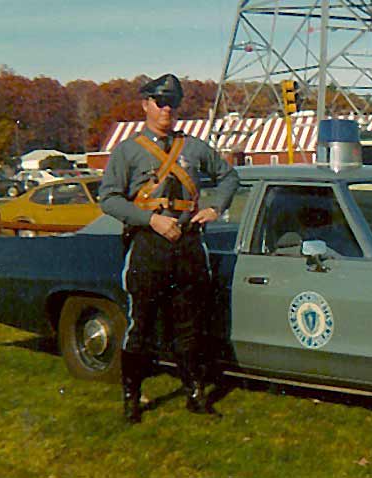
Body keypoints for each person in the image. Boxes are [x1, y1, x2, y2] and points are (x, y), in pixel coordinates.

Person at [99, 73, 240, 423]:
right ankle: (131, 399)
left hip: (189, 245)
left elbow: (229, 177)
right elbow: (109, 199)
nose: (166, 110)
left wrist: (216, 207)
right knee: (141, 325)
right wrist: (150, 221)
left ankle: (195, 395)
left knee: (189, 324)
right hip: (148, 246)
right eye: (160, 103)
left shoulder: (193, 147)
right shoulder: (128, 151)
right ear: (146, 104)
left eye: (172, 104)